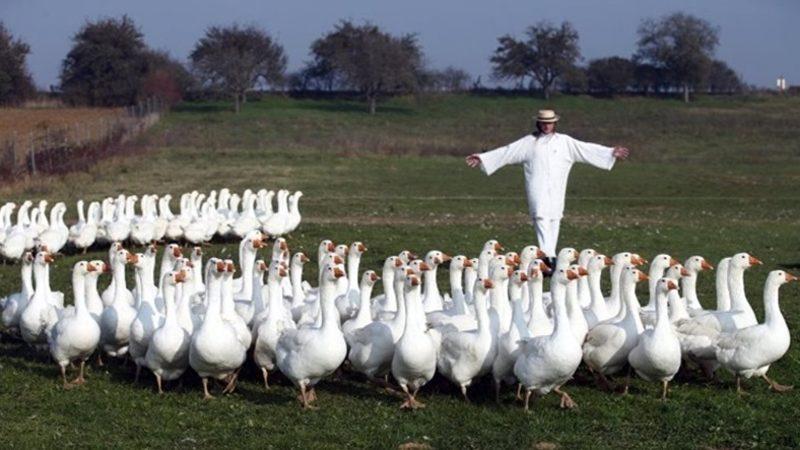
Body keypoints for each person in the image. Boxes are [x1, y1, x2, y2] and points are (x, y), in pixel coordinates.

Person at [466, 109, 630, 269]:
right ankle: (548, 256)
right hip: (537, 185)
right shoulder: (529, 142)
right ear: (539, 123)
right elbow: (507, 151)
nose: (546, 126)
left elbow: (586, 148)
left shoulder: (565, 142)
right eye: (544, 123)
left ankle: (550, 257)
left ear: (554, 124)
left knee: (554, 217)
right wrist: (483, 158)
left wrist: (610, 152)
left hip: (557, 186)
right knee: (540, 215)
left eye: (550, 123)